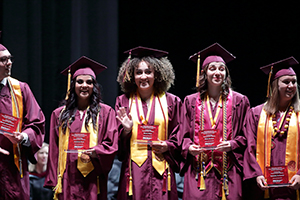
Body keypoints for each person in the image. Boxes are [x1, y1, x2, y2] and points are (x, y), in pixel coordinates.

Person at [179, 43, 250, 200]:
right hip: (198, 172)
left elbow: (248, 136)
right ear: (204, 73)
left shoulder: (240, 101)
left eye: (221, 69)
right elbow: (181, 135)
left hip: (228, 170)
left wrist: (232, 144)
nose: (217, 72)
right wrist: (189, 147)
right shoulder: (190, 101)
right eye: (212, 68)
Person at [44, 56, 118, 200]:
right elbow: (54, 149)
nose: (84, 85)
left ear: (94, 86)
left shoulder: (106, 112)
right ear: (73, 85)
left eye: (89, 82)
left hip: (93, 177)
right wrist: (53, 178)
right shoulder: (59, 114)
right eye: (80, 81)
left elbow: (112, 143)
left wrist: (96, 151)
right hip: (68, 176)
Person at [115, 46, 182, 199]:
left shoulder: (172, 101)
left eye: (148, 72)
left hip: (162, 171)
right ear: (132, 75)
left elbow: (179, 135)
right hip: (133, 172)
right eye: (138, 72)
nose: (143, 76)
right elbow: (116, 143)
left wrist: (167, 146)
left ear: (156, 74)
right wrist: (126, 130)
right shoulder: (123, 101)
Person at [243, 56, 300, 200]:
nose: (291, 85)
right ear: (274, 85)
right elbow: (250, 146)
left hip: (294, 187)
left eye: (294, 82)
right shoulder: (256, 113)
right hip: (264, 188)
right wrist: (257, 174)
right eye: (286, 82)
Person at [0, 42, 45, 199]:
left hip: (14, 167)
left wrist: (23, 136)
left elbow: (36, 123)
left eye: (10, 58)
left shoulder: (21, 89)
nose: (9, 63)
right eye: (3, 60)